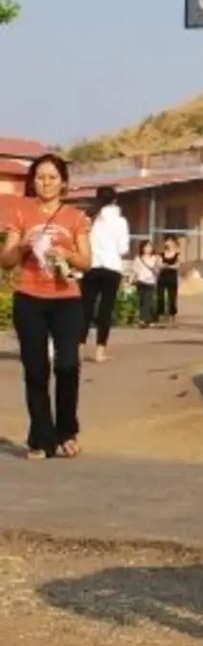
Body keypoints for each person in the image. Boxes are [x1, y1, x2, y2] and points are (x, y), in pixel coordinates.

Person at [0, 153, 92, 459]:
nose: (46, 182)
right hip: (29, 298)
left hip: (67, 300)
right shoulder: (20, 212)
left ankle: (66, 431)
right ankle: (41, 437)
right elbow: (6, 261)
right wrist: (25, 244)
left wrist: (64, 254)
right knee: (36, 369)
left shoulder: (75, 218)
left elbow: (87, 261)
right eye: (40, 177)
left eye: (52, 177)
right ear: (32, 182)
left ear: (63, 182)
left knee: (67, 365)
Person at [80, 187, 130, 361]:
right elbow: (123, 248)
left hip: (91, 267)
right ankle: (100, 351)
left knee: (85, 307)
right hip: (111, 267)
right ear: (115, 200)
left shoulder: (92, 218)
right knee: (105, 309)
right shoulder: (120, 221)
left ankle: (79, 347)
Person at [132, 240, 160, 327]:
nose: (148, 248)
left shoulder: (155, 258)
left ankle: (146, 320)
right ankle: (144, 319)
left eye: (150, 247)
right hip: (141, 281)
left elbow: (158, 270)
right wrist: (132, 279)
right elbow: (135, 271)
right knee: (142, 301)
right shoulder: (138, 258)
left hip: (150, 282)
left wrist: (156, 269)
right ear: (142, 248)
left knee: (149, 301)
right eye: (146, 247)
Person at [156, 235, 181, 325]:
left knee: (172, 297)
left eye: (170, 241)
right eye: (167, 241)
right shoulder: (161, 254)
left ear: (174, 243)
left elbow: (177, 266)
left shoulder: (177, 254)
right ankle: (160, 315)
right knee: (160, 296)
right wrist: (163, 266)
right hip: (162, 277)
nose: (168, 243)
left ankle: (172, 316)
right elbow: (158, 264)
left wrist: (168, 266)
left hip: (172, 278)